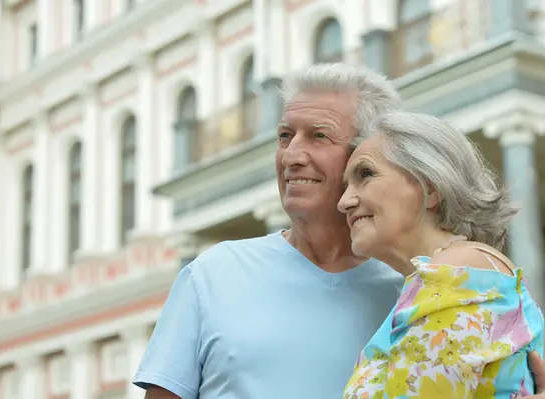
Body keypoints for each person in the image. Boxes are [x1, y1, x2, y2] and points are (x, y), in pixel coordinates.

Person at [133, 63, 545, 399]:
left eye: (319, 136)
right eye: (284, 136)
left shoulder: (430, 285)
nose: (292, 155)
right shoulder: (212, 273)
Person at [339, 110, 545, 398]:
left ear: (430, 186)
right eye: (346, 185)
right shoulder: (444, 278)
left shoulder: (457, 273)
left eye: (366, 174)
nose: (344, 202)